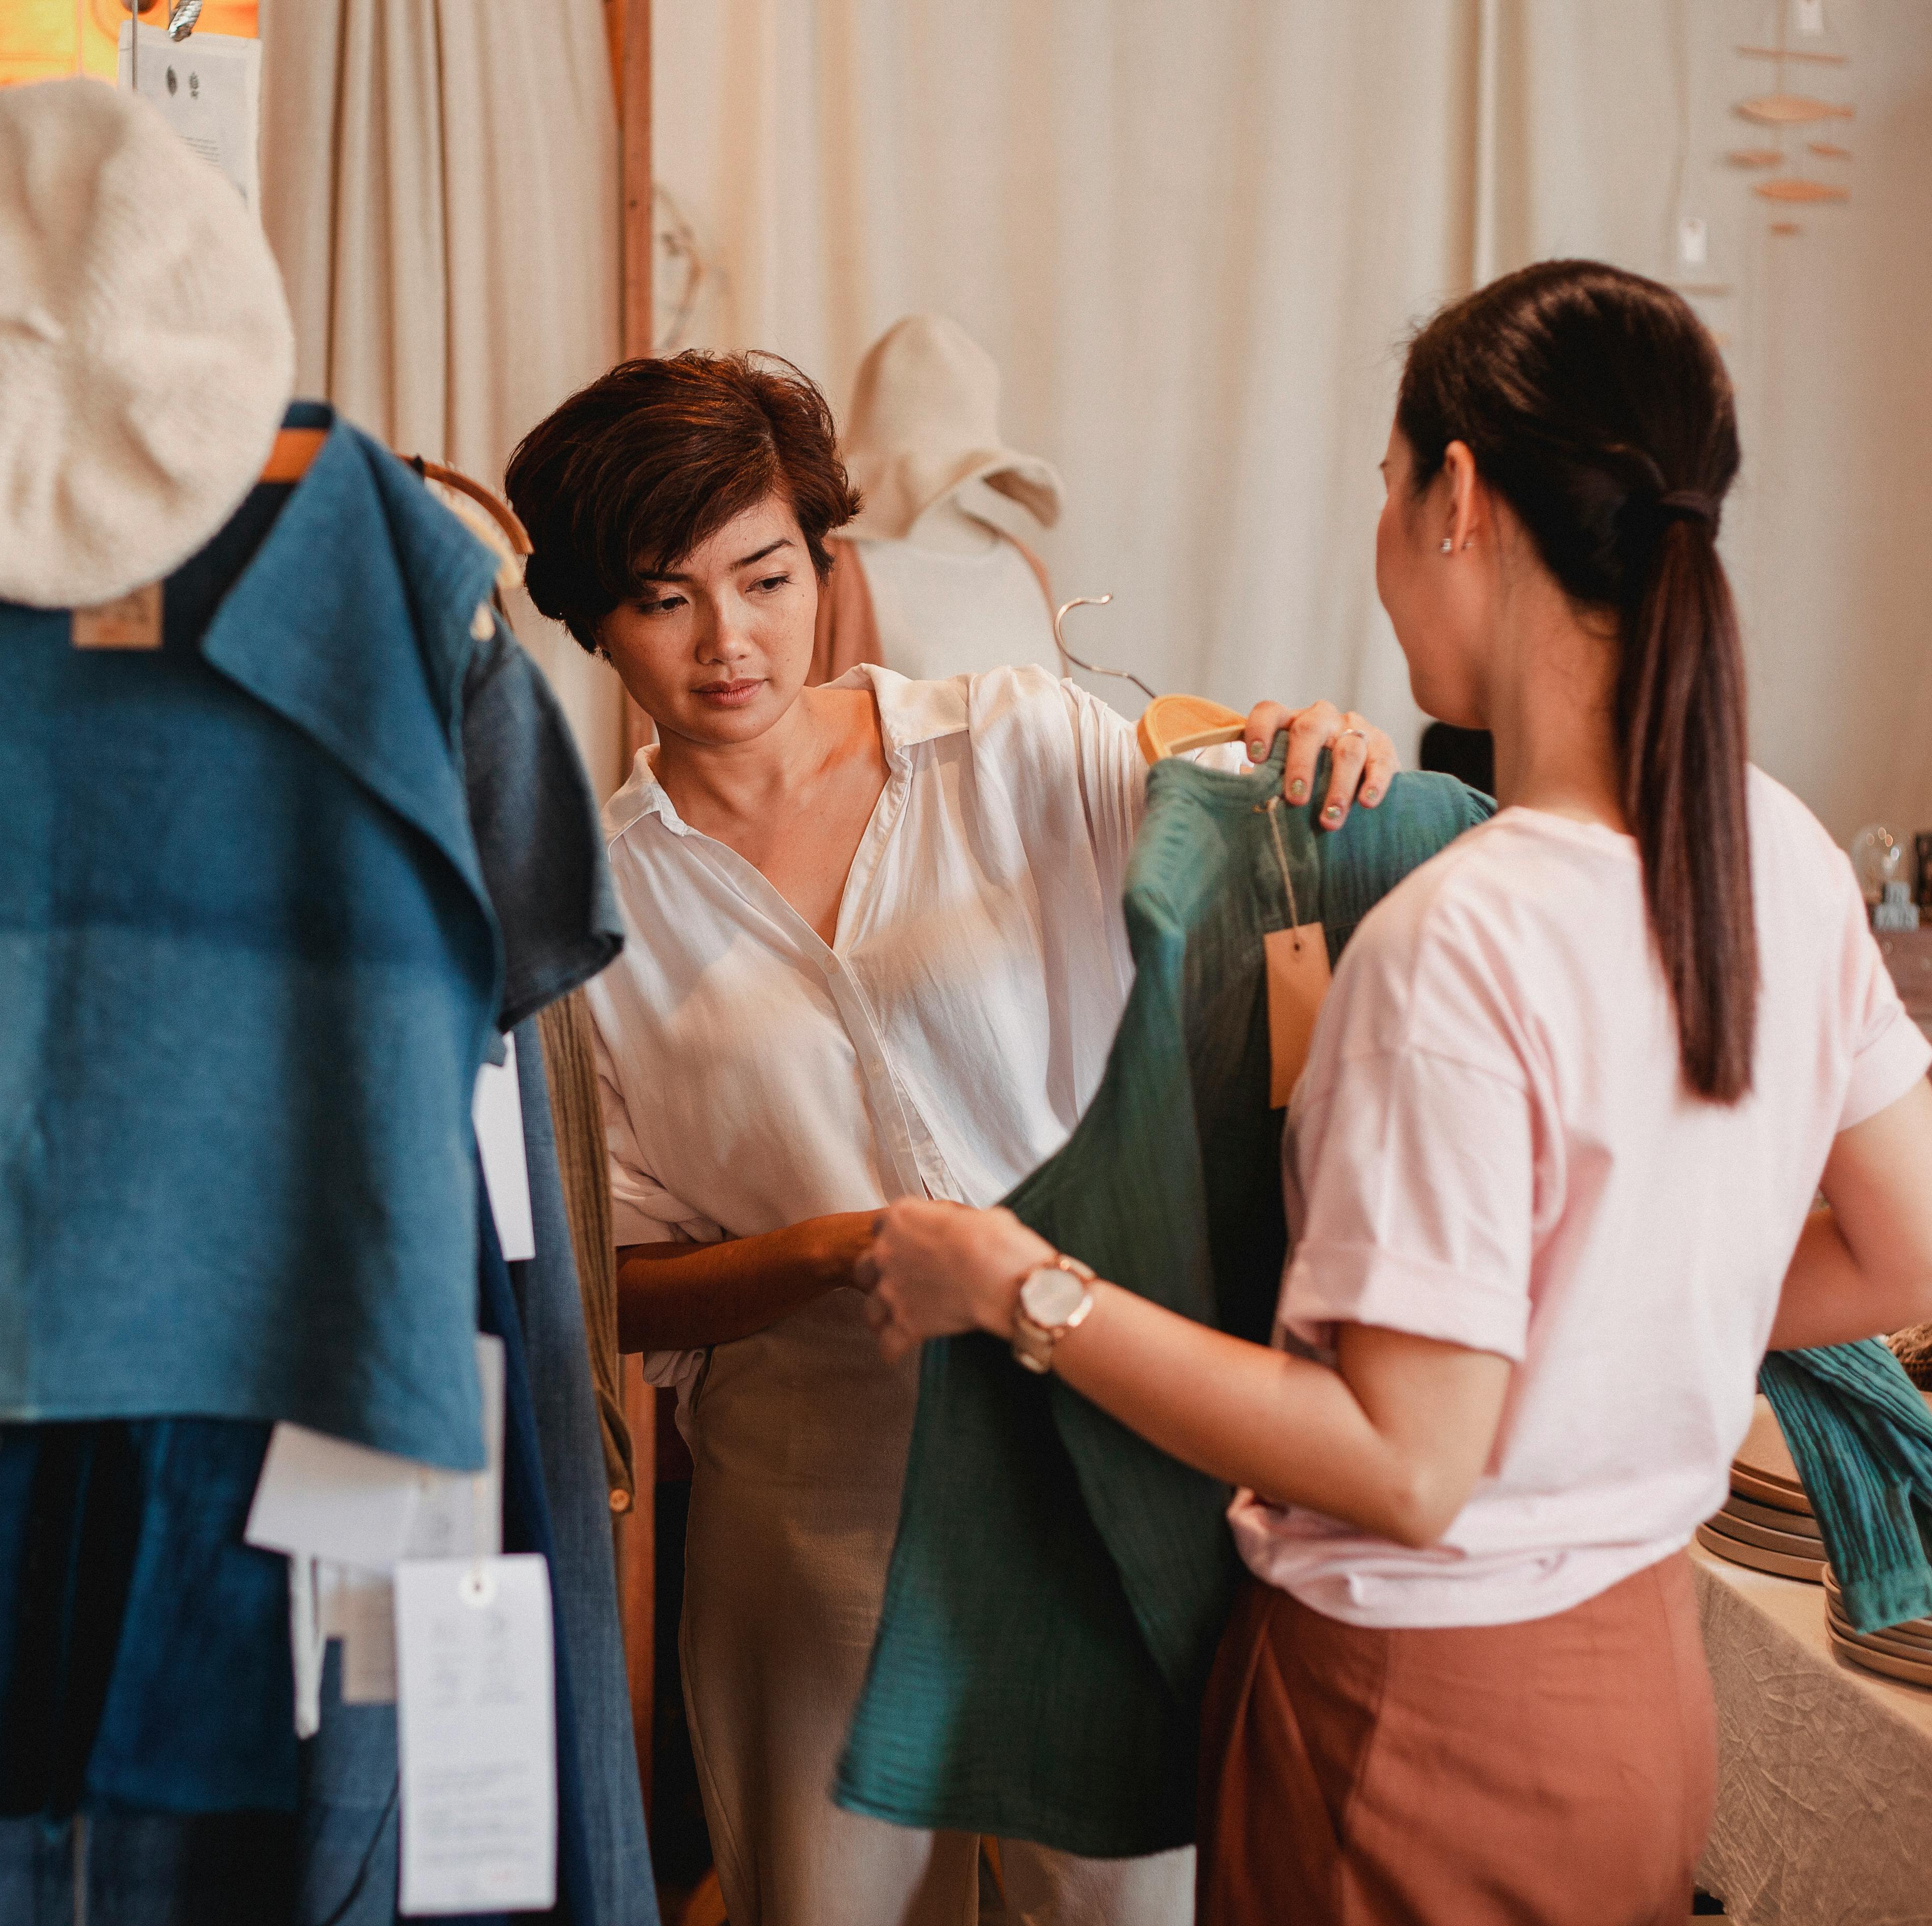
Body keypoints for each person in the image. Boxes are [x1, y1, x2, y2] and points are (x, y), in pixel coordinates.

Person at [857, 259, 1932, 1926]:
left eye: (1387, 491)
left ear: (1458, 497)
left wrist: (1018, 1286)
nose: (1380, 543)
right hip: (1643, 1692)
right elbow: (1928, 1261)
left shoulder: (1455, 941)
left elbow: (1401, 1467)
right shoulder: (1771, 849)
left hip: (1421, 1728)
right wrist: (1608, 1338)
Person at [504, 350, 1400, 1926]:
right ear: (592, 621)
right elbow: (612, 1281)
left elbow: (1243, 827)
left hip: (1102, 1453)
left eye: (766, 576)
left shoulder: (1013, 745)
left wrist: (1318, 749)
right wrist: (845, 1252)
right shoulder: (586, 907)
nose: (731, 641)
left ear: (823, 559)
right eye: (664, 600)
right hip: (821, 1505)